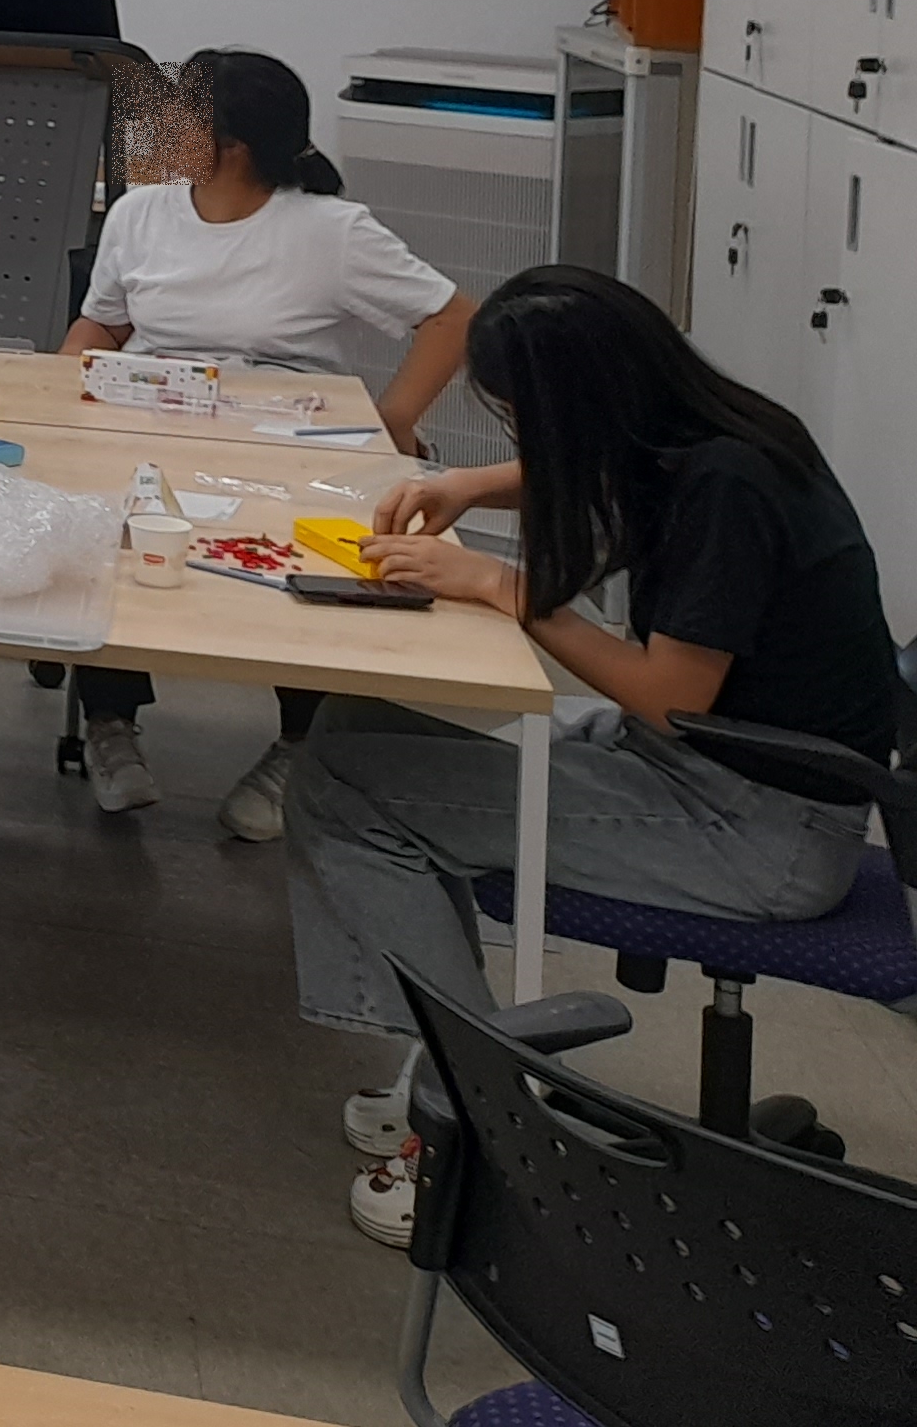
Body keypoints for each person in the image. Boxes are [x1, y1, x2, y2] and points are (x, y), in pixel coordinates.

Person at [290, 265, 893, 1246]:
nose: (524, 439)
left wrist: (499, 585)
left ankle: (480, 1122)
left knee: (348, 794)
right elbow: (608, 466)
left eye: (523, 421)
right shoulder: (713, 431)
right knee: (356, 728)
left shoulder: (728, 490)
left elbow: (667, 698)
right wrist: (469, 484)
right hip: (721, 776)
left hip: (757, 830)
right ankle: (460, 1065)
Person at [59, 50, 474, 828]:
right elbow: (104, 324)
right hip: (154, 420)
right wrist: (63, 393)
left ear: (232, 148)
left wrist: (393, 424)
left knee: (309, 551)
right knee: (97, 524)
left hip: (286, 439)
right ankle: (110, 721)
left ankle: (302, 744)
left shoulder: (330, 231)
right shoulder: (140, 213)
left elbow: (452, 317)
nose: (156, 130)